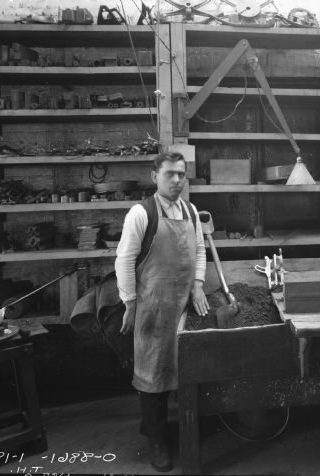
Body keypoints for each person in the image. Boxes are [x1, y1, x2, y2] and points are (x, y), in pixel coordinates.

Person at [115, 151, 209, 472]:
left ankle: (187, 430)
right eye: (169, 174)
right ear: (154, 176)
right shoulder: (141, 213)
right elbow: (124, 259)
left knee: (185, 368)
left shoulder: (191, 211)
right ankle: (157, 439)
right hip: (153, 306)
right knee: (153, 371)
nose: (177, 180)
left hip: (184, 303)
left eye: (181, 174)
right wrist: (129, 302)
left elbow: (199, 249)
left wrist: (198, 285)